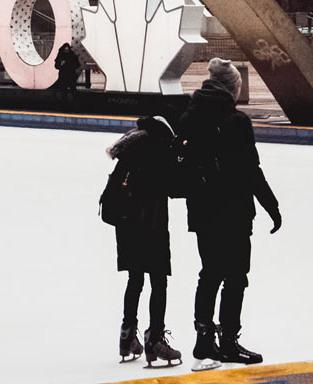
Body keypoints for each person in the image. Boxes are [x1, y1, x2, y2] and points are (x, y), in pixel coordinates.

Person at [179, 57, 281, 370]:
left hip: (202, 211)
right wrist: (272, 206)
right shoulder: (236, 122)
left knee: (209, 274)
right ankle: (228, 341)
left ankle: (203, 340)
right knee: (235, 277)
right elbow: (251, 170)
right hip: (234, 213)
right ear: (232, 88)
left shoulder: (189, 117)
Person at [104, 116, 181, 368]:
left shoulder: (129, 151)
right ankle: (155, 340)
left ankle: (127, 336)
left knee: (135, 280)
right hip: (152, 225)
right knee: (159, 282)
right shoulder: (158, 150)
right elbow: (174, 187)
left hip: (127, 227)